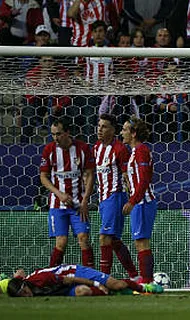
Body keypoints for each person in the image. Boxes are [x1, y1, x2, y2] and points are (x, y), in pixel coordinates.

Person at [39, 117, 96, 268]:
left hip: (79, 205)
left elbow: (90, 174)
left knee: (83, 238)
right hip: (57, 205)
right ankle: (51, 275)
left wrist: (85, 201)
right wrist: (60, 194)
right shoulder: (49, 150)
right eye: (53, 134)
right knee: (61, 241)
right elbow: (43, 177)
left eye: (58, 134)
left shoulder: (82, 149)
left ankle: (91, 277)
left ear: (68, 133)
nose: (55, 138)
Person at [94, 114, 139, 279]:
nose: (100, 129)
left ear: (113, 130)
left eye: (104, 126)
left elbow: (127, 175)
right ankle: (134, 274)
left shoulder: (120, 149)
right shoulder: (97, 147)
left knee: (104, 238)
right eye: (99, 126)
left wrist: (132, 198)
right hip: (103, 198)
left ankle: (103, 279)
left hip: (116, 196)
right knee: (113, 239)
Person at [120, 116, 157, 284]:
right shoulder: (135, 152)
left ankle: (147, 283)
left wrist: (133, 201)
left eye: (125, 129)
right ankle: (145, 281)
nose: (122, 132)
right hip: (140, 202)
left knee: (142, 242)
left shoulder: (141, 150)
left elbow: (144, 180)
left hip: (143, 202)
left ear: (133, 133)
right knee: (140, 242)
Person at [6, 264, 162, 297]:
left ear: (25, 285)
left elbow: (70, 279)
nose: (26, 296)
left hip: (75, 272)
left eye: (24, 292)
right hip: (62, 289)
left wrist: (96, 283)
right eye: (22, 296)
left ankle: (143, 287)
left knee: (116, 284)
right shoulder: (21, 283)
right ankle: (117, 293)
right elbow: (19, 273)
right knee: (83, 292)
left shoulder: (42, 279)